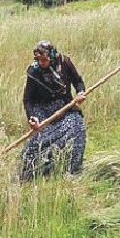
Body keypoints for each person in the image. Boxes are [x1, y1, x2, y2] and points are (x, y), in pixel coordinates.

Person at [20, 40, 87, 181]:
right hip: (42, 109)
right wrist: (32, 117)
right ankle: (37, 170)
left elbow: (78, 81)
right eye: (38, 59)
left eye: (44, 59)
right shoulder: (34, 71)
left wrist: (80, 93)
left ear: (52, 56)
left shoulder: (64, 62)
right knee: (40, 140)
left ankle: (72, 169)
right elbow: (28, 100)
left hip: (65, 106)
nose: (41, 62)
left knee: (77, 126)